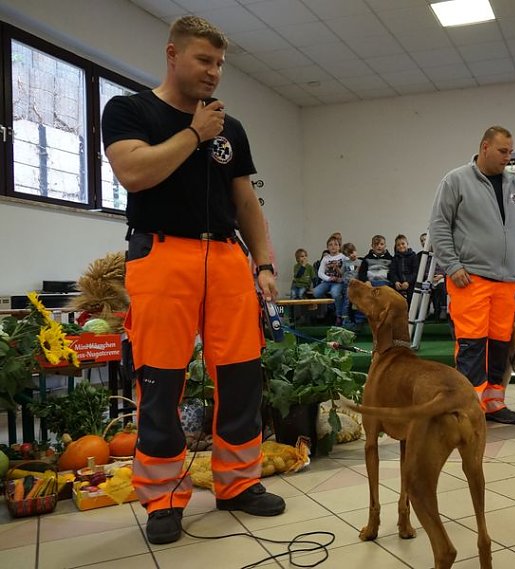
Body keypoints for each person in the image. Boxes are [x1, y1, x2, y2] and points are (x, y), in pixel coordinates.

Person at [101, 16, 285, 545]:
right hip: (160, 255)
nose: (214, 73)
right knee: (160, 379)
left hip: (226, 258)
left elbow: (245, 200)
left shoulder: (232, 127)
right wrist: (193, 133)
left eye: (221, 64)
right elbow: (135, 173)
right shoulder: (130, 110)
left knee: (242, 375)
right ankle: (162, 498)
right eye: (204, 60)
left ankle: (238, 483)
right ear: (172, 54)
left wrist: (265, 263)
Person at [429, 125, 515, 425]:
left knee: (500, 344)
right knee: (472, 344)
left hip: (508, 281)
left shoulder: (514, 185)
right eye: (503, 151)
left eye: (511, 152)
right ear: (485, 147)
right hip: (470, 278)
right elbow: (438, 226)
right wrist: (452, 265)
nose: (508, 158)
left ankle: (493, 404)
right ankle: (468, 407)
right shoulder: (456, 180)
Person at [314, 235, 348, 325]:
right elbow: (320, 273)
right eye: (330, 245)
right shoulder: (326, 258)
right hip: (327, 281)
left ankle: (338, 315)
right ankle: (325, 311)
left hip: (338, 283)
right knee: (316, 292)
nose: (333, 246)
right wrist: (329, 278)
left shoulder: (343, 257)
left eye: (336, 244)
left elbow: (349, 270)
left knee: (335, 294)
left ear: (339, 246)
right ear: (327, 247)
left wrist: (342, 279)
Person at [389, 234, 419, 302]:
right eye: (398, 245)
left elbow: (415, 272)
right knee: (393, 296)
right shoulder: (395, 258)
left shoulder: (414, 256)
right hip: (398, 283)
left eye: (403, 244)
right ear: (396, 247)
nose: (401, 246)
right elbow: (392, 272)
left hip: (411, 283)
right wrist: (396, 281)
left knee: (412, 296)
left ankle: (410, 311)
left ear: (407, 244)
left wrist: (407, 282)